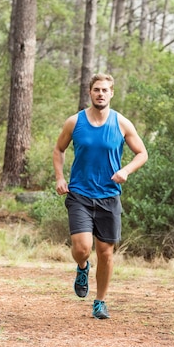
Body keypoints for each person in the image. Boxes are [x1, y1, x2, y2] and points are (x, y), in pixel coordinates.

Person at [53, 73, 148, 320]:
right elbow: (59, 149)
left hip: (109, 196)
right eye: (96, 90)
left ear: (112, 93)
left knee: (106, 253)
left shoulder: (122, 123)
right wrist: (60, 178)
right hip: (80, 194)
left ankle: (100, 301)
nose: (101, 94)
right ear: (90, 93)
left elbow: (142, 153)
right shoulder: (75, 122)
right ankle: (82, 267)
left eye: (105, 90)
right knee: (83, 249)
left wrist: (126, 170)